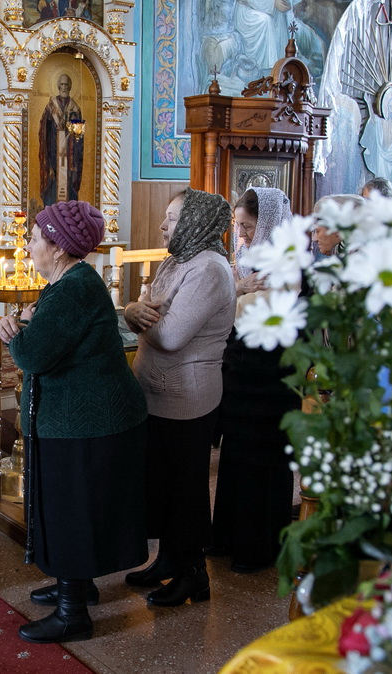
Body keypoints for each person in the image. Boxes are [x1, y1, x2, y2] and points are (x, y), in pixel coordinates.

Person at [0, 200, 147, 644]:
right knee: (78, 509)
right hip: (87, 421)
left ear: (58, 247)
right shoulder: (72, 282)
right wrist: (27, 322)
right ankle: (77, 586)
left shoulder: (72, 289)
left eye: (34, 238)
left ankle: (72, 613)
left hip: (86, 424)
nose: (28, 246)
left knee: (72, 512)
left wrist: (13, 333)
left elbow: (34, 356)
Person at [123, 189, 235, 606]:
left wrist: (136, 316)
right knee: (164, 483)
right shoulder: (178, 260)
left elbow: (170, 335)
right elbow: (147, 308)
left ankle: (194, 575)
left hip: (188, 397)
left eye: (171, 218)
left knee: (185, 488)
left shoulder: (209, 269)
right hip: (157, 394)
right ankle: (168, 560)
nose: (162, 226)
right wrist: (135, 309)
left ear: (194, 222)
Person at [210, 187, 300, 572]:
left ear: (268, 224)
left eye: (248, 226)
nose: (242, 235)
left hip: (269, 382)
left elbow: (278, 325)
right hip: (241, 376)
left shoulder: (288, 265)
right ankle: (227, 538)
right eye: (238, 226)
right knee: (235, 460)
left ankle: (256, 548)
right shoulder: (246, 260)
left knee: (262, 466)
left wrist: (234, 294)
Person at [38, 73, 84, 206]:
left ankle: (68, 214)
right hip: (53, 155)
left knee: (69, 185)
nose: (64, 87)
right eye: (62, 85)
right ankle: (51, 213)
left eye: (66, 85)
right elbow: (43, 132)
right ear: (58, 86)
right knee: (53, 184)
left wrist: (75, 160)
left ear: (70, 87)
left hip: (69, 157)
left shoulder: (75, 108)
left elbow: (78, 137)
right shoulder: (51, 107)